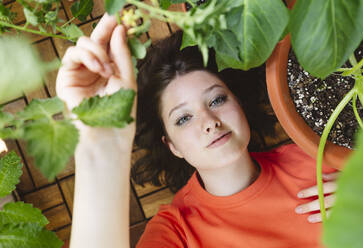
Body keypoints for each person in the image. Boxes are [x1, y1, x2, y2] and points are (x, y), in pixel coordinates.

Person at [56, 14, 339, 248]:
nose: (209, 121)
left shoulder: (315, 159)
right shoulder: (177, 232)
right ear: (171, 145)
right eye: (183, 118)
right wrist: (101, 141)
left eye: (217, 100)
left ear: (239, 102)